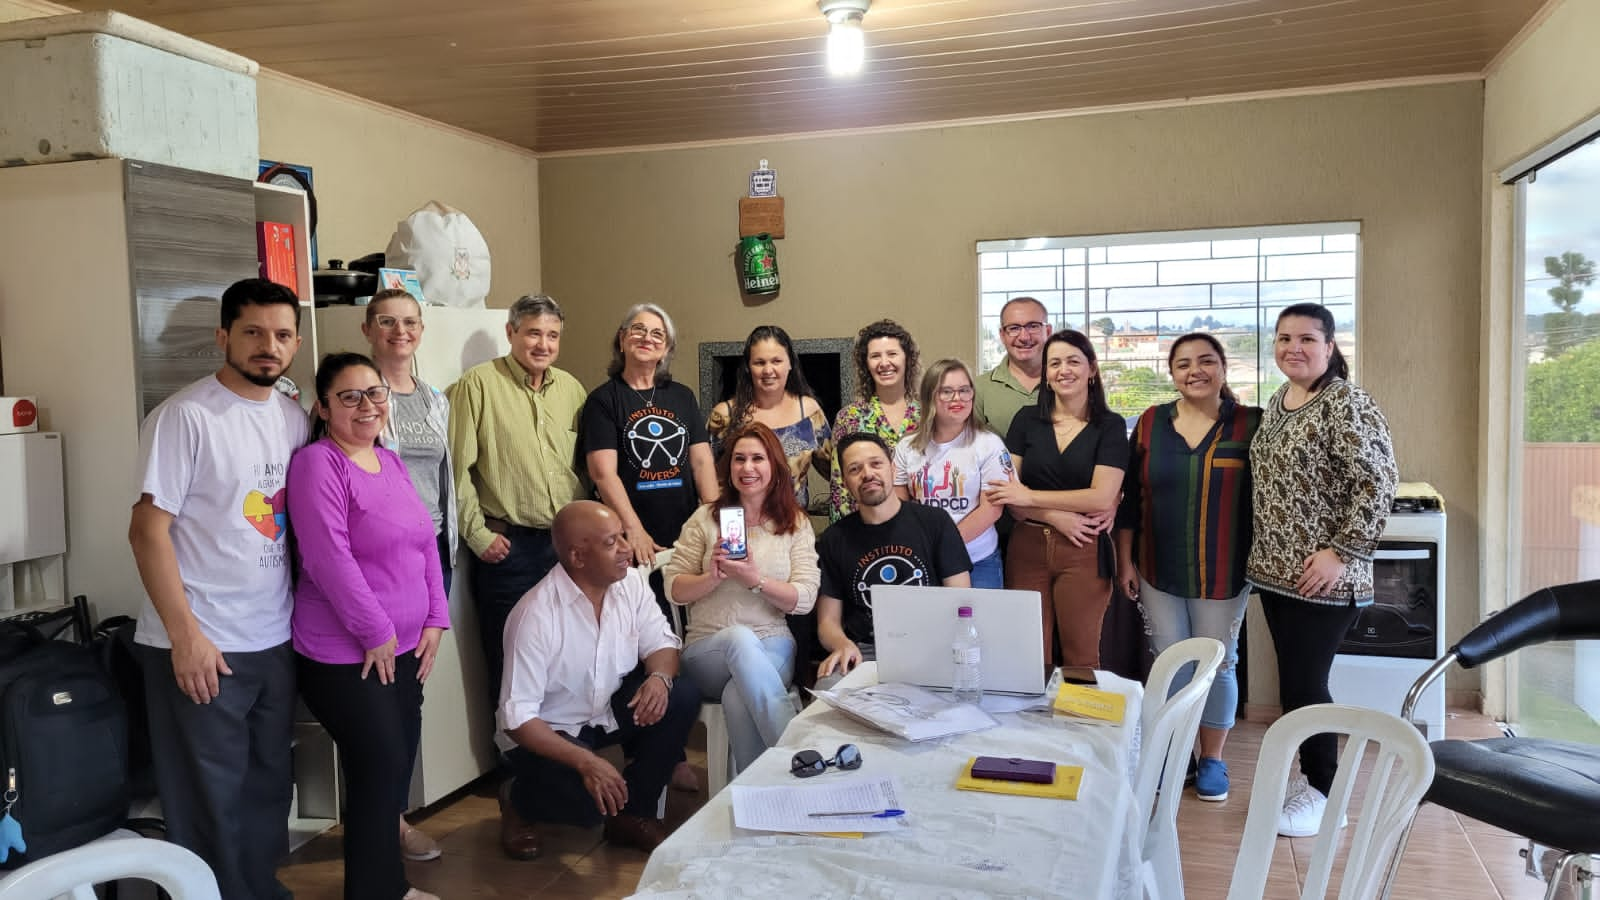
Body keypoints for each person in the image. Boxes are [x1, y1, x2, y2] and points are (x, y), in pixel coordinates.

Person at [127, 278, 305, 900]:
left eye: (282, 335)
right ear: (224, 336)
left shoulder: (291, 415)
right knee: (208, 801)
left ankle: (258, 890)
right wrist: (186, 638)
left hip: (273, 637)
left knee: (265, 789)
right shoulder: (186, 416)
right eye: (253, 332)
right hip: (202, 640)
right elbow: (148, 531)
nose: (268, 346)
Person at [287, 353, 449, 900]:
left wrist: (435, 616)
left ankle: (388, 888)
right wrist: (376, 630)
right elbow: (328, 557)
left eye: (374, 393)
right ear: (323, 406)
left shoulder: (391, 460)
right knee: (379, 763)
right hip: (343, 653)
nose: (366, 405)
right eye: (349, 396)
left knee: (390, 767)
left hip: (405, 648)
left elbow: (425, 541)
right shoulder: (318, 464)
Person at [1247, 303, 1397, 837]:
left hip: (1325, 578)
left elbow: (1378, 483)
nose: (1294, 347)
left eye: (1307, 338)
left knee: (1308, 685)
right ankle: (1309, 780)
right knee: (1295, 684)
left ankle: (1326, 795)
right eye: (1284, 338)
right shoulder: (1280, 400)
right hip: (1275, 575)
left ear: (1330, 347)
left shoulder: (1347, 403)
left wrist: (1341, 552)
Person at [496, 501, 701, 858]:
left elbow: (664, 645)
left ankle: (633, 814)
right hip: (550, 732)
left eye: (623, 535)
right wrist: (587, 762)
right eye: (611, 542)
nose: (626, 548)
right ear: (578, 557)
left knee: (681, 695)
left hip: (604, 712)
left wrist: (659, 679)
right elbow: (517, 718)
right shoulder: (535, 614)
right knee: (587, 810)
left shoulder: (631, 584)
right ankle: (517, 798)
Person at [1114, 333, 1260, 803]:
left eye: (1205, 361)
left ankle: (1213, 758)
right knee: (1170, 664)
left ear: (1223, 367)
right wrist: (1125, 561)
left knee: (1218, 664)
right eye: (1183, 364)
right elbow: (1131, 500)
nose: (1194, 371)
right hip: (1157, 566)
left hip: (1225, 570)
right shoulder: (1152, 423)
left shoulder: (1250, 424)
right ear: (1171, 373)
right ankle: (1175, 754)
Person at [449, 294, 587, 697]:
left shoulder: (572, 390)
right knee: (512, 659)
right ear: (510, 332)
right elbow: (456, 471)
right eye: (533, 333)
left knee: (568, 652)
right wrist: (478, 536)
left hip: (567, 547)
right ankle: (517, 758)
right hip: (510, 549)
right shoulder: (478, 385)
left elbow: (584, 469)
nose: (543, 344)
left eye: (553, 335)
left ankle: (566, 753)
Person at [664, 422, 821, 772]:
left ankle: (751, 793)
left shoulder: (795, 523)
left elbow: (806, 598)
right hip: (708, 648)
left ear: (774, 466)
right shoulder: (706, 518)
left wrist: (756, 580)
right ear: (728, 466)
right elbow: (673, 588)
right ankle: (798, 757)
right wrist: (711, 577)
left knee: (738, 696)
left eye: (757, 459)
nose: (747, 468)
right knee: (738, 638)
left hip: (773, 644)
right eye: (739, 459)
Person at [360, 288, 453, 861]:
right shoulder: (361, 395)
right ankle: (383, 819)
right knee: (378, 693)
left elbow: (444, 478)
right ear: (369, 328)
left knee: (411, 689)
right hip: (379, 559)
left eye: (410, 322)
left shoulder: (435, 399)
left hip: (430, 552)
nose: (401, 332)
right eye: (388, 322)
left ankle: (391, 814)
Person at [984, 330, 1128, 670]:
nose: (1064, 370)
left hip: (1084, 548)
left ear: (1091, 369)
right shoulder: (1026, 419)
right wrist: (1054, 515)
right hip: (1026, 548)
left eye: (1073, 361)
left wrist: (1031, 496)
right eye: (1055, 363)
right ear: (1046, 374)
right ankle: (1029, 724)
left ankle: (1082, 723)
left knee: (1082, 656)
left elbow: (1101, 496)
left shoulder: (1109, 426)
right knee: (1028, 655)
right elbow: (1010, 496)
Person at [815, 433, 971, 687]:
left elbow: (961, 600)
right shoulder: (834, 538)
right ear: (845, 482)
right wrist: (843, 645)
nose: (867, 474)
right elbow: (827, 622)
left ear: (892, 468)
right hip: (865, 652)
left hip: (931, 646)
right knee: (825, 690)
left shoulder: (935, 522)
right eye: (855, 469)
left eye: (876, 464)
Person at [584, 303, 719, 568]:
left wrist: (716, 522)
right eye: (638, 330)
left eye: (658, 334)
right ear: (622, 339)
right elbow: (603, 474)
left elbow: (702, 462)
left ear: (666, 350)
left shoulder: (683, 396)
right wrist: (633, 529)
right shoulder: (602, 401)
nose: (647, 337)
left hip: (686, 530)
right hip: (630, 533)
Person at [894, 358, 1014, 590]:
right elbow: (900, 507)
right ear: (930, 397)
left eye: (964, 390)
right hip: (923, 560)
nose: (957, 398)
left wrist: (944, 546)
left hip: (978, 561)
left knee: (979, 626)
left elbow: (992, 509)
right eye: (946, 392)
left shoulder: (989, 444)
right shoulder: (907, 447)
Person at [706, 325, 832, 510]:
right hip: (739, 529)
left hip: (793, 528)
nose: (768, 370)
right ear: (749, 367)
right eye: (759, 362)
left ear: (790, 364)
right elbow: (707, 477)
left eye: (776, 361)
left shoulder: (809, 411)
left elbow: (834, 472)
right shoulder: (725, 415)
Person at [827, 320, 922, 521]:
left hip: (921, 528)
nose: (884, 362)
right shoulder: (850, 418)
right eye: (875, 356)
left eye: (892, 354)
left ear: (907, 359)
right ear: (866, 364)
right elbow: (840, 489)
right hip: (866, 529)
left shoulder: (927, 415)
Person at [974, 296, 1053, 439]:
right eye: (1014, 328)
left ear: (1047, 331)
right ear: (1002, 335)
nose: (1024, 337)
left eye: (1033, 326)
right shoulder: (979, 389)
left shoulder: (1067, 384)